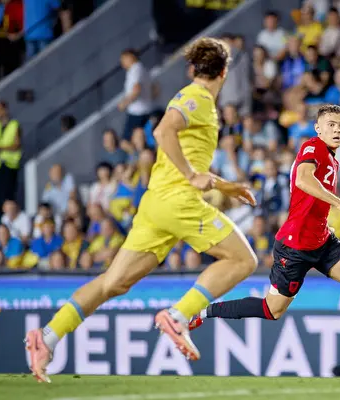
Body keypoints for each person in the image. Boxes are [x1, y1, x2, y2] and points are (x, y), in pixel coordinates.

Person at [25, 37, 259, 383]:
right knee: (244, 261)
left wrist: (226, 186)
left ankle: (47, 337)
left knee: (113, 283)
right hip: (178, 203)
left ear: (194, 67)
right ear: (224, 71)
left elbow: (186, 158)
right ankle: (179, 317)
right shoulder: (197, 98)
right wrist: (192, 175)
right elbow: (162, 131)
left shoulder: (196, 99)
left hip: (156, 206)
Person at [186, 104, 340, 376]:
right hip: (294, 247)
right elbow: (304, 181)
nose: (337, 130)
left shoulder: (332, 158)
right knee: (271, 310)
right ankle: (205, 311)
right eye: (331, 124)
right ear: (318, 128)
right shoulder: (313, 148)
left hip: (322, 241)